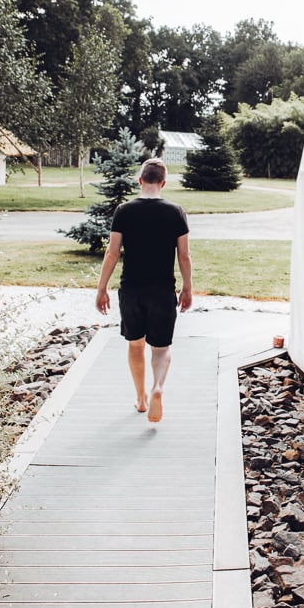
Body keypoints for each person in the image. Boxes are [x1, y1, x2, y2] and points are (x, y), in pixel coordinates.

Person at [95, 158, 193, 423]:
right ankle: (158, 387)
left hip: (131, 290)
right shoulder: (175, 212)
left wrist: (101, 288)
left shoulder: (124, 211)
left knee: (135, 344)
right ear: (163, 182)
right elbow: (184, 256)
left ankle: (141, 399)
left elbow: (112, 253)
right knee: (161, 349)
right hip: (162, 290)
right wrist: (187, 288)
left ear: (140, 181)